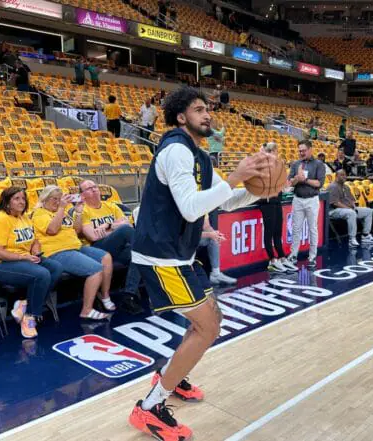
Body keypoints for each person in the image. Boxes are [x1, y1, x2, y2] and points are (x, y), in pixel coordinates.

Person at [127, 87, 273, 440]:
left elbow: (222, 202)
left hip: (181, 254)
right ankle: (149, 408)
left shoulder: (199, 156)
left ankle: (171, 377)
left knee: (212, 319)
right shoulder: (176, 149)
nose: (207, 114)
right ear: (181, 117)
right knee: (208, 328)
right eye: (198, 109)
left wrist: (259, 190)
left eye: (208, 109)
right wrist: (237, 177)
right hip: (161, 256)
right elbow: (192, 208)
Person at [0, 187, 63, 339]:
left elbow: (35, 241)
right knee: (42, 274)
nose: (21, 202)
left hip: (24, 258)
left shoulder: (24, 218)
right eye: (16, 198)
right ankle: (30, 317)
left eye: (23, 198)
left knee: (55, 267)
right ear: (7, 202)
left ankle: (25, 304)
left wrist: (35, 252)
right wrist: (24, 258)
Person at [31, 186, 114, 321]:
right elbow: (52, 229)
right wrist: (62, 208)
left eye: (59, 199)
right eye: (54, 199)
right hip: (57, 251)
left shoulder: (61, 212)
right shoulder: (39, 213)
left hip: (75, 247)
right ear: (45, 199)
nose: (57, 202)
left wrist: (79, 213)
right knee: (96, 270)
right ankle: (86, 310)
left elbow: (76, 230)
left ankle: (105, 296)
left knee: (106, 257)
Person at [78, 180, 144, 315]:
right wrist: (115, 226)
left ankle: (129, 295)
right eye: (89, 188)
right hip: (96, 249)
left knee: (140, 254)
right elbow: (93, 236)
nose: (94, 190)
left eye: (95, 187)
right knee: (127, 233)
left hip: (117, 247)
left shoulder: (111, 206)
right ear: (82, 195)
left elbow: (129, 225)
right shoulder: (82, 211)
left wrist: (107, 226)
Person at [286, 139, 326, 268]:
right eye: (300, 151)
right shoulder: (296, 164)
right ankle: (293, 255)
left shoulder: (319, 164)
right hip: (297, 199)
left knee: (312, 229)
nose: (301, 153)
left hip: (312, 200)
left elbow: (319, 183)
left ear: (310, 150)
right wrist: (296, 179)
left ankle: (312, 257)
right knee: (295, 229)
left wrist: (306, 179)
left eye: (303, 150)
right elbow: (289, 183)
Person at [257, 142, 296, 273]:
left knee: (278, 231)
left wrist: (287, 184)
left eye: (276, 151)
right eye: (273, 151)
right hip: (266, 202)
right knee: (269, 231)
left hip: (276, 200)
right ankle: (272, 260)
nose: (275, 154)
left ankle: (282, 257)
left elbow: (282, 186)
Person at [328, 169, 373, 247]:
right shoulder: (332, 186)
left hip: (347, 209)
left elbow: (351, 200)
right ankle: (352, 239)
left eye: (345, 175)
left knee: (368, 211)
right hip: (333, 211)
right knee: (351, 213)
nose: (344, 176)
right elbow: (335, 203)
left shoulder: (346, 187)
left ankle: (365, 235)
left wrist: (354, 207)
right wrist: (350, 209)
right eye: (342, 175)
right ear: (336, 176)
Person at [198, 215, 237, 284]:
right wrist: (210, 234)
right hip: (180, 241)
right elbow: (189, 235)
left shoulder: (204, 207)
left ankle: (216, 274)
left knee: (214, 238)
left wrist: (215, 234)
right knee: (212, 237)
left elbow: (206, 226)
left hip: (194, 237)